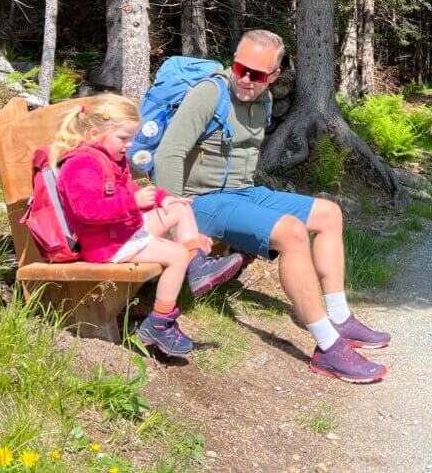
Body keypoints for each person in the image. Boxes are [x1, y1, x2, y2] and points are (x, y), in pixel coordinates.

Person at [153, 29, 391, 384]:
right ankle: (327, 348)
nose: (246, 79)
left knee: (329, 214)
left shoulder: (262, 102)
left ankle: (340, 318)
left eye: (257, 74)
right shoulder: (209, 94)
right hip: (201, 202)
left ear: (274, 77)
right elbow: (168, 154)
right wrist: (176, 221)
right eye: (240, 68)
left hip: (242, 193)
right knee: (291, 233)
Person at [51, 94, 244, 357]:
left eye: (131, 139)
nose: (129, 145)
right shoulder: (80, 165)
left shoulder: (108, 159)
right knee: (176, 256)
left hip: (121, 231)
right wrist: (132, 204)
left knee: (179, 209)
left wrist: (165, 199)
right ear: (95, 133)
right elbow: (87, 212)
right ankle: (159, 323)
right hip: (106, 246)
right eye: (123, 138)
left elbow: (131, 189)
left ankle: (198, 266)